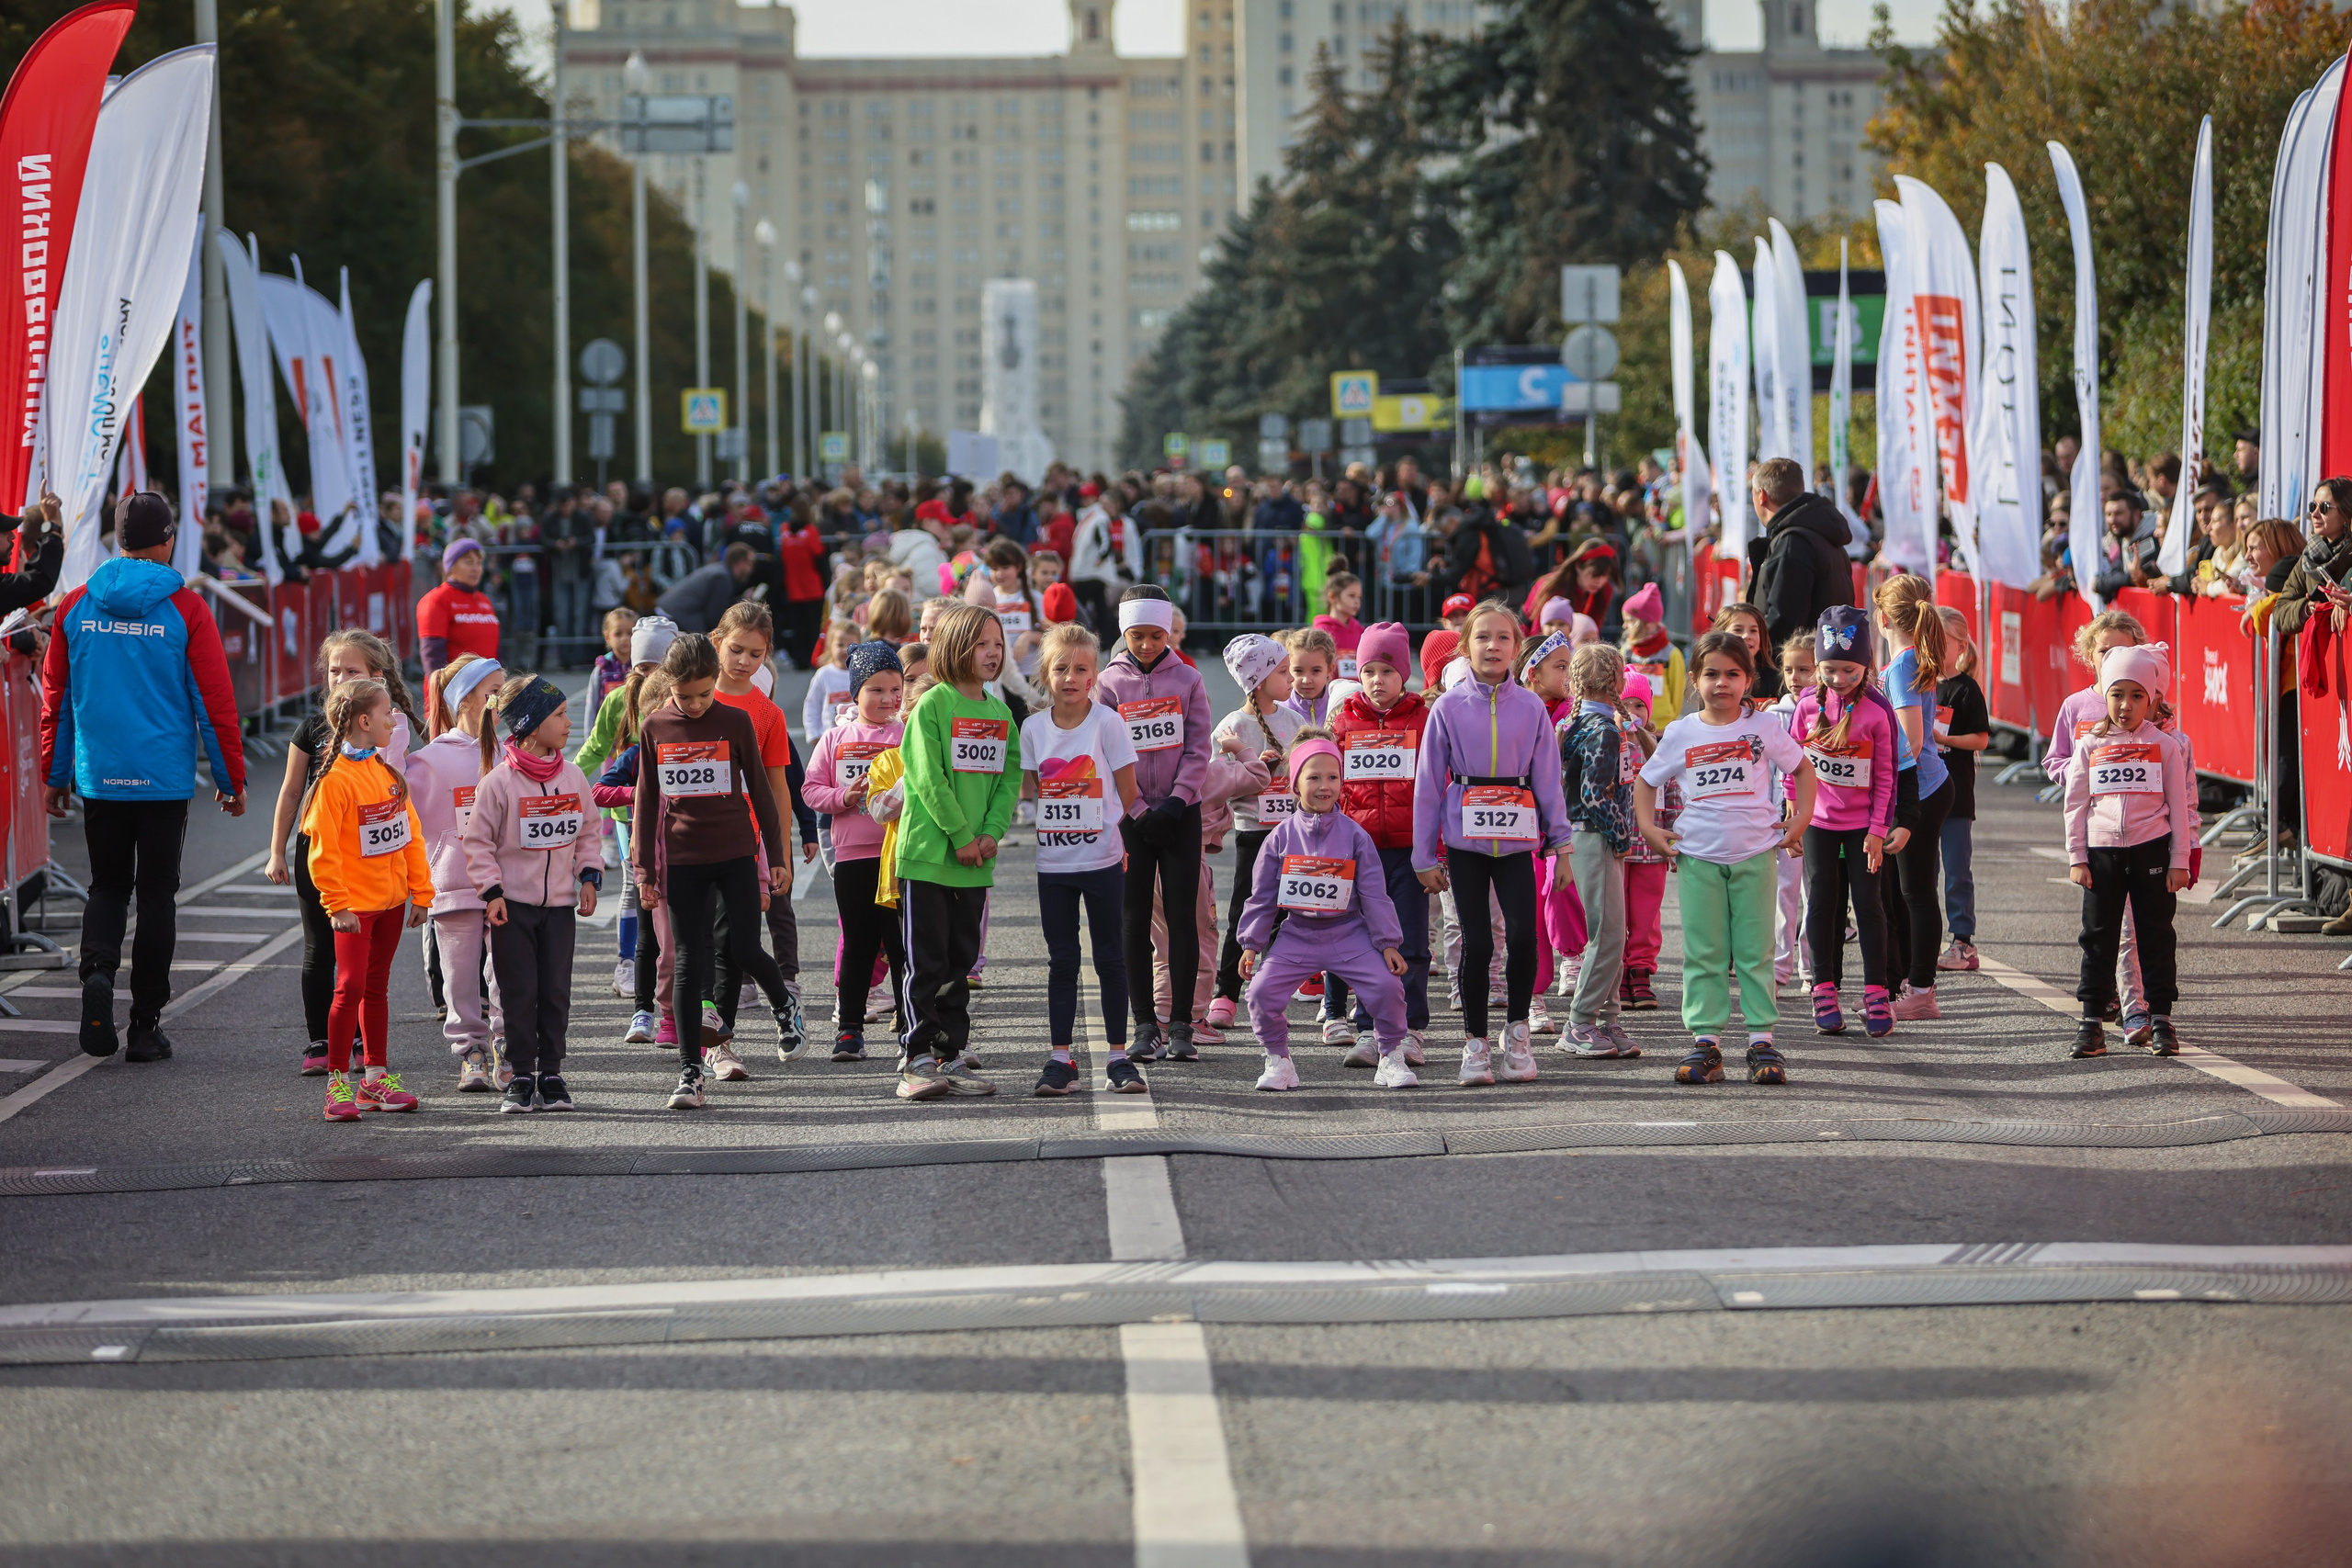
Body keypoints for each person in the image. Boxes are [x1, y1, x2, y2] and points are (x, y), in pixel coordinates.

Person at [40, 492, 246, 1064]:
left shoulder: (75, 605)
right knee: (157, 895)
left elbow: (57, 698)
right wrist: (230, 778)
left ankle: (97, 976)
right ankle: (144, 1025)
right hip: (163, 780)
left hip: (100, 776)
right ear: (168, 538)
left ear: (119, 538)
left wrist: (53, 774)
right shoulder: (186, 608)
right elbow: (215, 702)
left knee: (107, 886)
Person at [1638, 630, 1815, 1084]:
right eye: (1711, 674)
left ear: (1749, 678)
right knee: (1705, 952)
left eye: (1733, 674)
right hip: (1697, 857)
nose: (1722, 683)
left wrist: (1800, 822)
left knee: (1755, 951)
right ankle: (1707, 1043)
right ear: (1694, 679)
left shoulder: (1764, 727)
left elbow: (1801, 768)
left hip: (1756, 855)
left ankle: (1762, 1041)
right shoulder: (1681, 732)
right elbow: (1647, 780)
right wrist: (1649, 828)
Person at [1412, 600, 1574, 1087]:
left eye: (1503, 637)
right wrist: (1424, 856)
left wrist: (1561, 845)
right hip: (1465, 843)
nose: (1493, 646)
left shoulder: (1530, 708)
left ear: (1517, 647)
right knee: (1478, 943)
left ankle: (1518, 1034)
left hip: (1518, 841)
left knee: (1524, 937)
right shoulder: (1447, 706)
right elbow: (1426, 784)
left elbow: (1548, 779)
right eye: (1483, 637)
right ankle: (1475, 1044)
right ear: (1466, 646)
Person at [632, 634, 796, 1111]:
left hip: (736, 856)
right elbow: (646, 801)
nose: (697, 704)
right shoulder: (656, 726)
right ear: (669, 687)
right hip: (683, 860)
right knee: (687, 962)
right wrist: (645, 868)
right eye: (686, 696)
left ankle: (784, 1004)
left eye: (705, 694)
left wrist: (778, 855)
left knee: (743, 948)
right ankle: (689, 1072)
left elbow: (762, 792)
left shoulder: (735, 720)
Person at [1237, 732, 1417, 1090]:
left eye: (1332, 777)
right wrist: (1251, 943)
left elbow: (1374, 894)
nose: (1324, 786)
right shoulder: (1279, 837)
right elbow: (1262, 895)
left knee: (1387, 987)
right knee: (1260, 993)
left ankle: (1391, 1056)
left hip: (1350, 932)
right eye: (1314, 777)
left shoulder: (1355, 835)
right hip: (1297, 934)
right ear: (1295, 784)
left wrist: (1388, 943)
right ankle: (1278, 1060)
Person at [892, 604, 1021, 1099]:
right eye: (982, 644)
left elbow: (1009, 780)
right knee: (925, 961)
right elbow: (927, 778)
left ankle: (950, 1053)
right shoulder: (933, 704)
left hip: (975, 863)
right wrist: (961, 836)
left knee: (959, 963)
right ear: (954, 648)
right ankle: (916, 1058)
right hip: (930, 854)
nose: (992, 653)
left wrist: (991, 832)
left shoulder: (1000, 711)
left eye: (998, 644)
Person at [464, 675, 602, 1113]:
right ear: (530, 724)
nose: (568, 723)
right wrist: (492, 891)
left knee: (556, 990)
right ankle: (521, 1076)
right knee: (518, 992)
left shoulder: (574, 777)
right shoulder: (498, 783)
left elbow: (589, 832)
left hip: (560, 908)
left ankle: (553, 1074)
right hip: (513, 909)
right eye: (559, 715)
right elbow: (478, 841)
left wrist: (587, 877)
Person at [299, 678, 434, 1120]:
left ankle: (374, 1080)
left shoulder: (386, 772)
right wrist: (337, 905)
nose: (395, 720)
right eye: (387, 714)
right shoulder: (335, 781)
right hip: (354, 908)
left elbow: (410, 837)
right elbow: (323, 852)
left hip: (393, 903)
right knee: (349, 986)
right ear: (363, 721)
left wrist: (421, 893)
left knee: (376, 989)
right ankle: (337, 1085)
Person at [1019, 624, 1145, 1094]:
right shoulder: (1032, 729)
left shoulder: (1109, 723)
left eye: (1081, 669)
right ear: (1045, 675)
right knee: (1063, 960)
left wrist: (1102, 827)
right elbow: (1030, 792)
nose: (1070, 677)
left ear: (1095, 675)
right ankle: (1060, 1058)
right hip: (1054, 866)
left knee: (1111, 958)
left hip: (1102, 861)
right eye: (1060, 668)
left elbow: (1129, 792)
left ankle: (1118, 1056)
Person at [1096, 586, 1215, 1064]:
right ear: (1124, 634)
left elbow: (1198, 745)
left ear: (1168, 633)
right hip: (1131, 816)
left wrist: (1177, 801)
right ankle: (1144, 1023)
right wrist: (1138, 807)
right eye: (1137, 636)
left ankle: (1181, 1022)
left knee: (1184, 917)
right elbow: (1104, 751)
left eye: (1156, 636)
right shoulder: (1107, 683)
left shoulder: (1188, 679)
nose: (1146, 645)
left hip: (1180, 814)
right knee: (1133, 919)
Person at [2064, 642, 2193, 1059]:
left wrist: (2179, 862)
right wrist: (2076, 856)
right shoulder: (2089, 745)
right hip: (2102, 851)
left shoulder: (2167, 747)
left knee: (2156, 935)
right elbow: (2075, 804)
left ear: (2153, 699)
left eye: (2137, 695)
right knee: (2097, 937)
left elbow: (2180, 806)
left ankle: (2161, 1020)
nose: (2126, 704)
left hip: (2151, 850)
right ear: (2104, 695)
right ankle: (2090, 1023)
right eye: (2117, 694)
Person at [705, 601, 815, 1064]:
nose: (744, 661)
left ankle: (724, 1042)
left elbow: (779, 789)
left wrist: (781, 854)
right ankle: (719, 1044)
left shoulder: (766, 713)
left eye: (756, 653)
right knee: (707, 944)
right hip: (691, 839)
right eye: (736, 650)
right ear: (716, 643)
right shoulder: (691, 697)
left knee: (732, 943)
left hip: (745, 842)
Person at [1323, 623, 1433, 1066]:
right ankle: (1370, 1029)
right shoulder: (1345, 719)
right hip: (1361, 850)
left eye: (1387, 670)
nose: (1377, 680)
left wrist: (1433, 848)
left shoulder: (1423, 718)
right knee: (1366, 941)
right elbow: (1331, 779)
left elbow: (1435, 781)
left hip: (1410, 849)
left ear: (1403, 674)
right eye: (1368, 670)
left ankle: (1409, 1030)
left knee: (1410, 941)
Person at [1794, 606, 1901, 1038]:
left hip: (1862, 827)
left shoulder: (1878, 712)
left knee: (1870, 906)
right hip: (1818, 823)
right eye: (1830, 670)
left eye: (1850, 671)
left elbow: (1886, 777)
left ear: (1866, 666)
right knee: (1821, 904)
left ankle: (1877, 992)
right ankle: (1823, 988)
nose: (1839, 679)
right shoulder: (1806, 706)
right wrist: (1794, 816)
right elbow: (1794, 765)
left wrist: (1878, 832)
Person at [802, 642, 910, 1062]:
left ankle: (909, 1024)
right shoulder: (835, 738)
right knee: (859, 943)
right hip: (851, 856)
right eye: (877, 690)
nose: (888, 699)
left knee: (901, 944)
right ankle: (849, 1030)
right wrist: (844, 796)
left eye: (895, 690)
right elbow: (811, 790)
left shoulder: (907, 736)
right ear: (855, 693)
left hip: (900, 855)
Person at [407, 654, 507, 1091]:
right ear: (466, 700)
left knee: (506, 973)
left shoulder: (512, 752)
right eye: (494, 692)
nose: (502, 700)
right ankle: (470, 1052)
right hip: (451, 883)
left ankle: (507, 1045)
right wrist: (393, 744)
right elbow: (396, 802)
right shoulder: (429, 759)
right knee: (459, 977)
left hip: (505, 884)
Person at [576, 615, 680, 999]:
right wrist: (564, 779)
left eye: (658, 667)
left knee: (673, 888)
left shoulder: (684, 698)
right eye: (642, 667)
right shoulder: (618, 698)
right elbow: (595, 749)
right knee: (632, 886)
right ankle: (627, 962)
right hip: (628, 814)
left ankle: (669, 961)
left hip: (677, 815)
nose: (649, 675)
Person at [1207, 635, 1304, 1031]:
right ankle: (1225, 994)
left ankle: (1268, 993)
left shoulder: (1294, 719)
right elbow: (1215, 781)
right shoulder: (1232, 726)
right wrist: (1253, 768)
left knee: (1286, 912)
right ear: (1259, 680)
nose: (1292, 680)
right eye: (1284, 672)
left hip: (1292, 833)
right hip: (1252, 832)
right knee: (1245, 912)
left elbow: (1308, 768)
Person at [1875, 575, 1954, 1021]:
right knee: (1906, 893)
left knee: (1916, 893)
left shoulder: (1904, 664)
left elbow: (1911, 736)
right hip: (1923, 786)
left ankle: (1921, 991)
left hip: (1919, 790)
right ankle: (1906, 983)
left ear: (1883, 618)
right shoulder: (1907, 660)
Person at [1557, 641, 1641, 1059]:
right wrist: (1623, 834)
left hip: (1587, 836)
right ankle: (1580, 1022)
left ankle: (1608, 1020)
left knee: (1610, 933)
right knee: (1607, 936)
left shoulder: (1581, 724)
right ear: (1617, 680)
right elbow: (1594, 796)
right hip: (1596, 835)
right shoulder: (1604, 729)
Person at [1934, 607, 1991, 974]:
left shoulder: (1966, 689)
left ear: (1960, 646)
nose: (1934, 648)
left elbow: (1982, 739)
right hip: (1921, 793)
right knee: (1921, 871)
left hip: (1955, 794)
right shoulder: (1919, 682)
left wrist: (1945, 738)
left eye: (1942, 641)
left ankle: (1963, 941)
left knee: (1956, 870)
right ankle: (1918, 937)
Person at [1747, 456, 1856, 649]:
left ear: (1761, 495)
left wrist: (1754, 651)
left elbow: (1784, 619)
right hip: (1820, 661)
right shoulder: (1823, 535)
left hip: (1793, 669)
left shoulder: (1793, 542)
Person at [417, 537, 502, 676]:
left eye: (479, 563)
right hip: (455, 691)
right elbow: (432, 656)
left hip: (485, 690)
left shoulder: (484, 600)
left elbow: (496, 651)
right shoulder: (437, 599)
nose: (476, 568)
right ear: (451, 567)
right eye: (469, 562)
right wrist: (444, 692)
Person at [655, 541, 758, 634]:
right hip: (676, 617)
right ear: (740, 562)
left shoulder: (720, 571)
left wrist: (741, 599)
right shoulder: (722, 578)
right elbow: (714, 618)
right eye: (750, 563)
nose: (752, 569)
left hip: (671, 612)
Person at [1312, 571, 1366, 680]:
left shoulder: (1360, 631)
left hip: (1358, 693)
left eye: (1359, 597)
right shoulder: (1321, 632)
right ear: (1333, 597)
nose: (1357, 602)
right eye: (1351, 596)